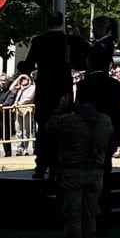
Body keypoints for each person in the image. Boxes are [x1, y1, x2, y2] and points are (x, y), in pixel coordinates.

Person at [45, 91, 114, 238]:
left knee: (73, 218)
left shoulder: (69, 120)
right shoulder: (104, 121)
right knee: (91, 215)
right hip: (96, 172)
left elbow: (50, 127)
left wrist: (60, 107)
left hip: (73, 172)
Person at [20, 12, 76, 179]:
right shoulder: (68, 41)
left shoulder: (39, 41)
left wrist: (23, 67)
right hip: (63, 90)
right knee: (63, 128)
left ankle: (41, 166)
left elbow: (27, 64)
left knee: (43, 129)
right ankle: (59, 165)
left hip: (45, 91)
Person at [76, 50, 120, 232]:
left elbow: (79, 111)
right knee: (105, 175)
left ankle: (87, 215)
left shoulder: (83, 85)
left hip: (86, 135)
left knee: (86, 175)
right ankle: (104, 217)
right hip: (106, 135)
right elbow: (118, 113)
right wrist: (117, 139)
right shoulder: (114, 85)